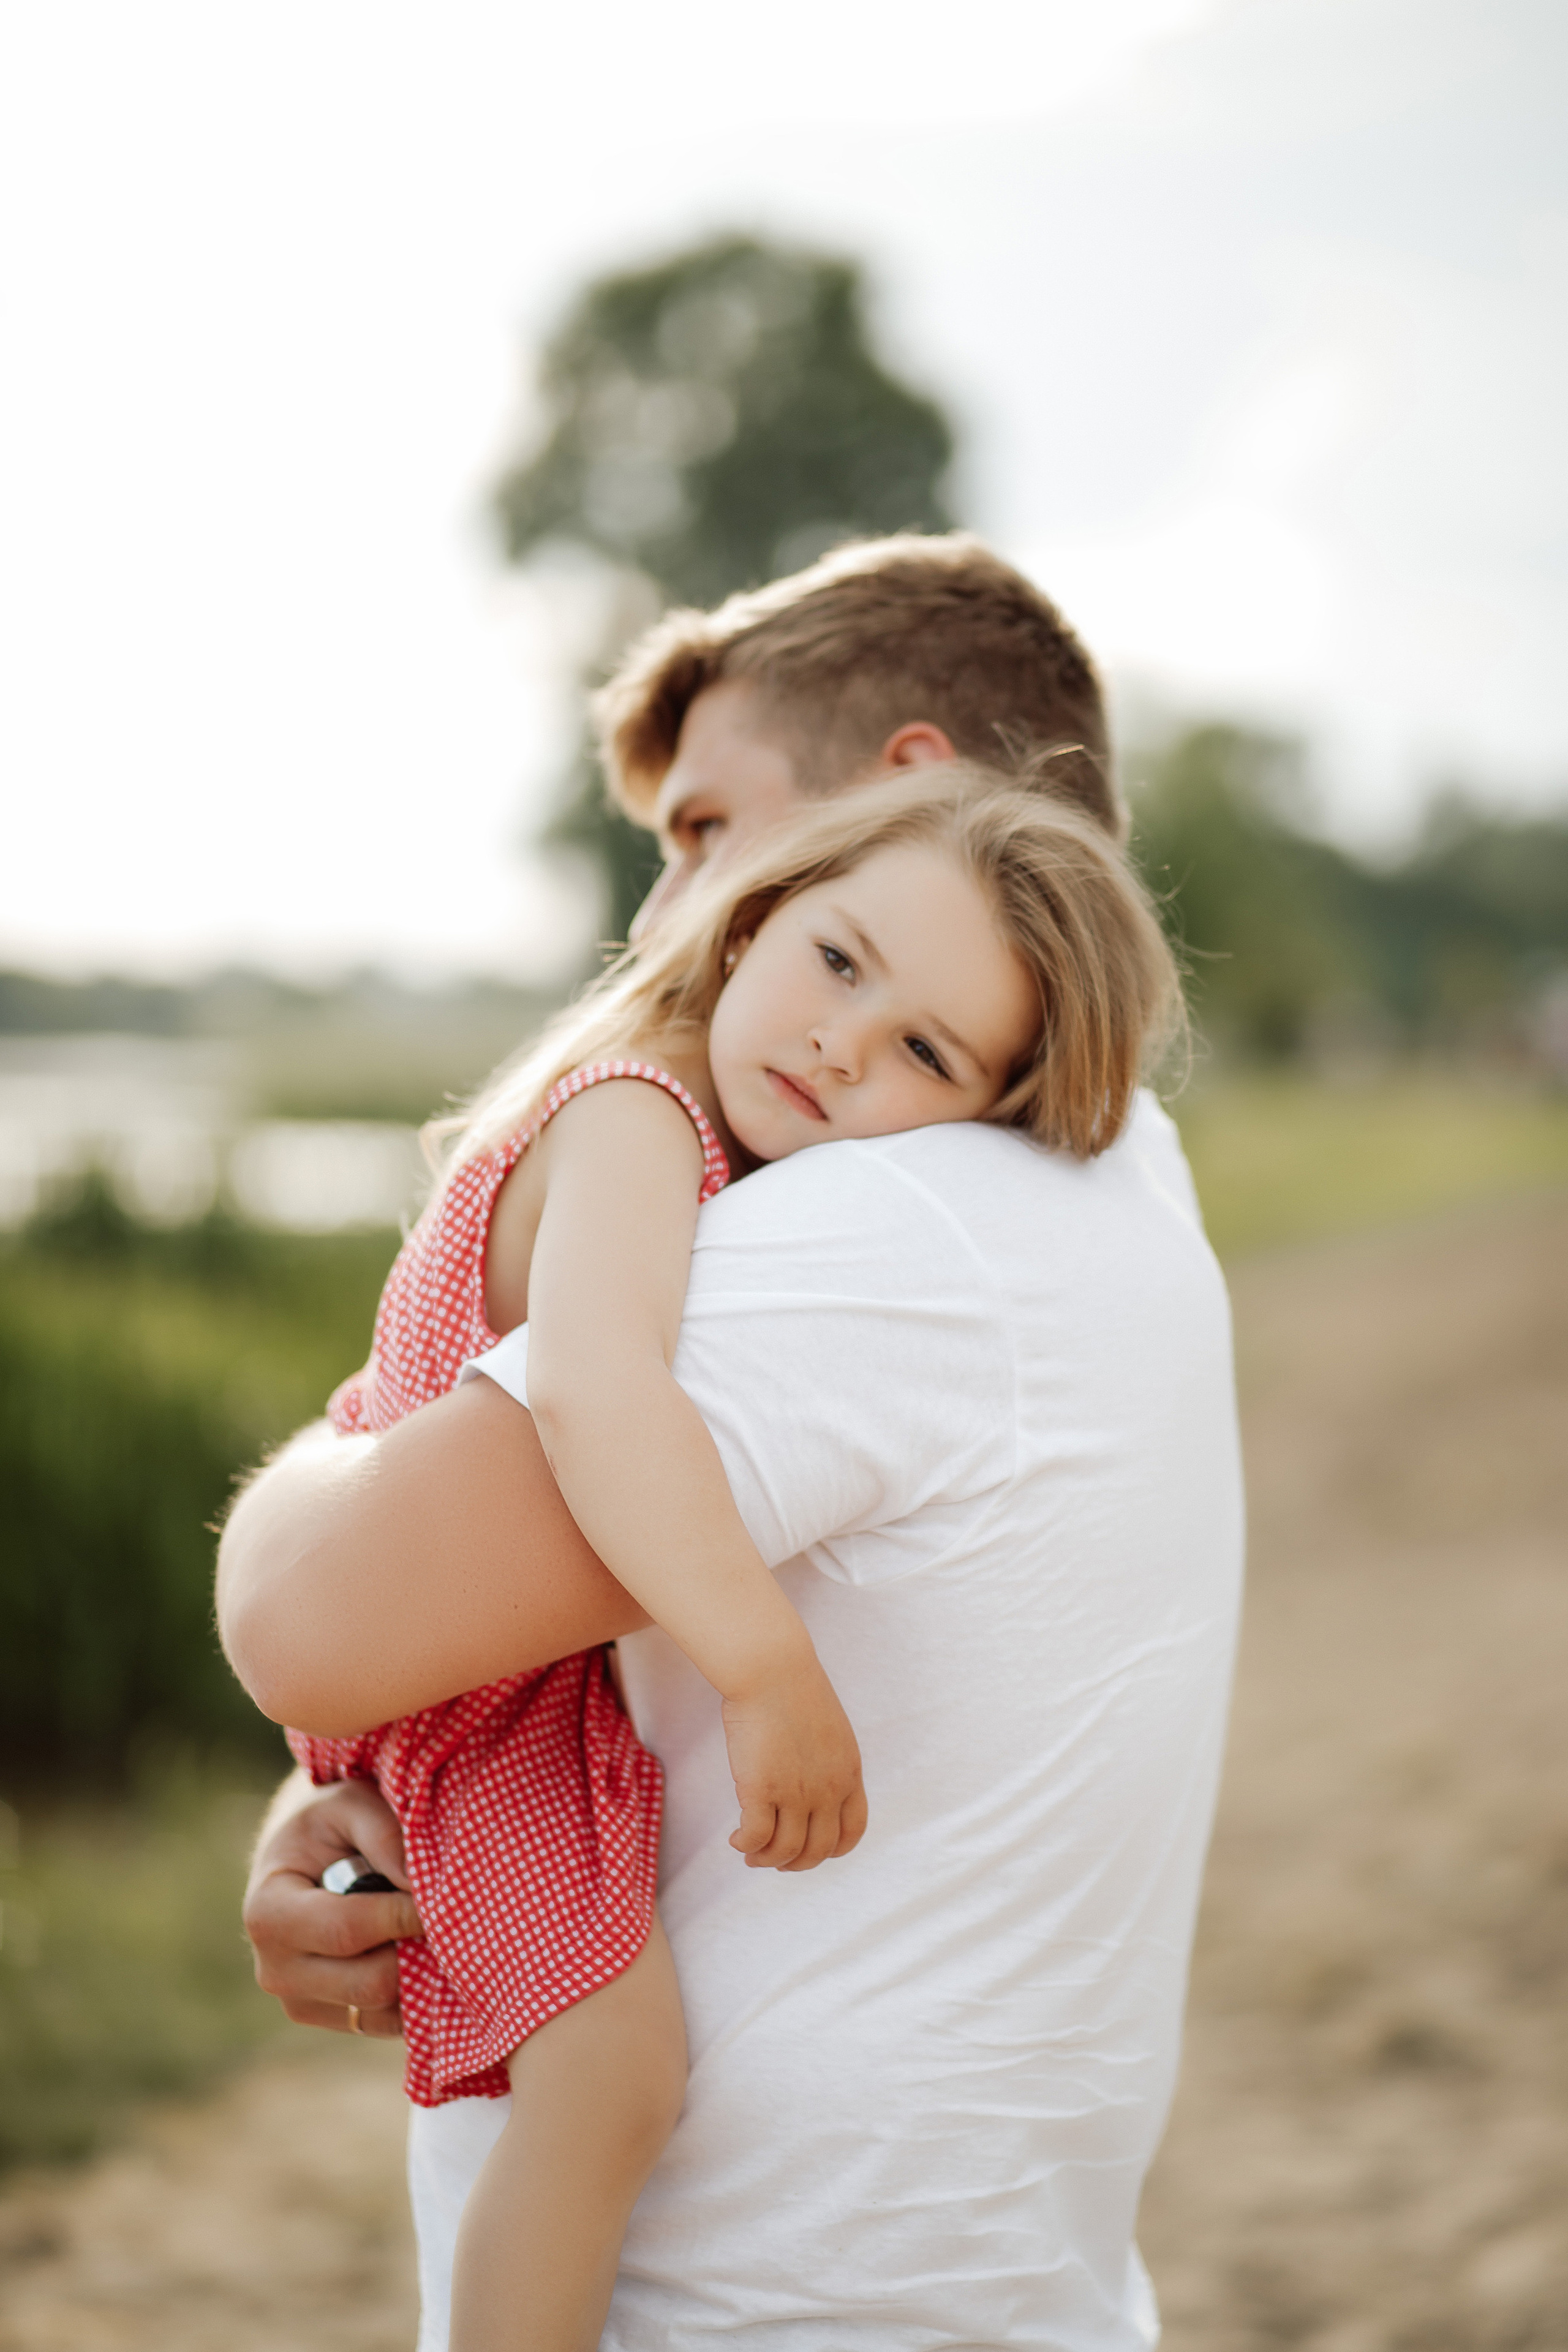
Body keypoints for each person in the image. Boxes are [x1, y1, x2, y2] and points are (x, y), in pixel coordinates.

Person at [225, 532, 1244, 2349]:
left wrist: (326, 1489)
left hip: (761, 2304)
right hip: (970, 2276)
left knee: (605, 2082)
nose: (662, 908)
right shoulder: (1096, 1177)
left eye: (707, 833)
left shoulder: (890, 1220)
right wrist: (362, 1765)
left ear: (908, 795)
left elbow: (309, 1612)